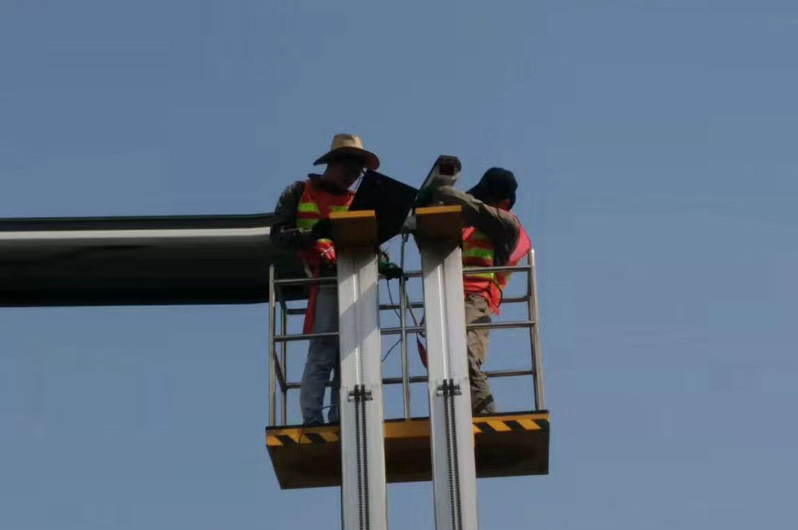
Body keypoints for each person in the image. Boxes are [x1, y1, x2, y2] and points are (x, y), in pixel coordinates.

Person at [271, 133, 401, 425]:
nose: (352, 176)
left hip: (358, 279)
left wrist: (384, 262)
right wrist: (313, 235)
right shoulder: (299, 191)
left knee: (351, 355)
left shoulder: (359, 202)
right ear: (333, 163)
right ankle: (312, 418)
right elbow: (278, 237)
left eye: (358, 172)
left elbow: (370, 241)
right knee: (323, 350)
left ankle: (343, 418)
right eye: (349, 168)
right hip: (326, 279)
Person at [418, 167, 531, 415]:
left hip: (476, 300)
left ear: (504, 203)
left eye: (487, 198)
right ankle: (458, 411)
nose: (482, 202)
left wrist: (441, 191)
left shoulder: (506, 225)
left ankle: (486, 411)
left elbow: (474, 208)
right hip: (449, 297)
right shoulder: (470, 227)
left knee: (466, 354)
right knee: (443, 359)